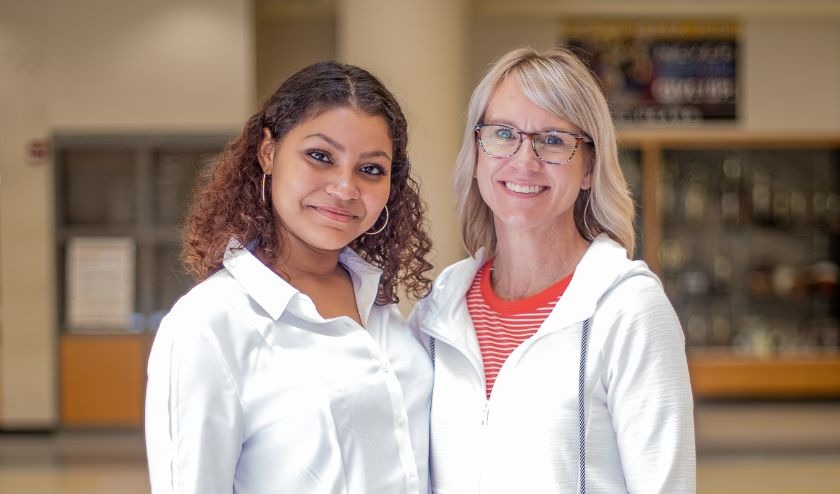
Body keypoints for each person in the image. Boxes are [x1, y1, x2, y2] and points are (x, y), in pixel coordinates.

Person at [409, 47, 695, 493]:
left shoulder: (629, 309)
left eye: (554, 141)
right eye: (503, 134)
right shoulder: (439, 308)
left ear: (589, 168)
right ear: (478, 153)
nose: (524, 161)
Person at [145, 61, 434, 493]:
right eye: (320, 157)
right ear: (268, 152)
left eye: (370, 169)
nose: (344, 188)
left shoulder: (381, 306)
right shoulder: (208, 325)